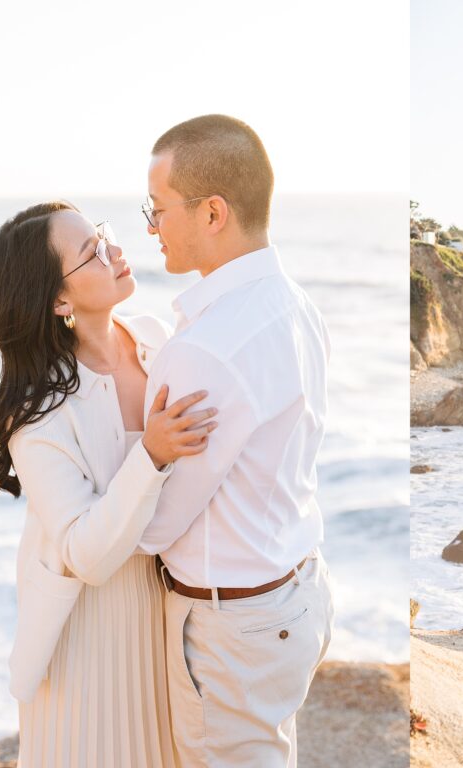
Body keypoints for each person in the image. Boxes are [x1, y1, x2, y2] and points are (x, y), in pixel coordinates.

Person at [0, 201, 217, 767]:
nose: (114, 250)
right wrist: (153, 454)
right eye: (91, 252)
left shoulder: (155, 339)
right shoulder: (38, 414)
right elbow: (85, 554)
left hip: (168, 616)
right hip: (84, 640)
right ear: (59, 301)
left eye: (103, 235)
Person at [137, 114, 335, 767]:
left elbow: (156, 525)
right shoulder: (294, 304)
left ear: (213, 212)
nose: (150, 226)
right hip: (295, 592)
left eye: (159, 208)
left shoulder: (205, 349)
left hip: (234, 631)